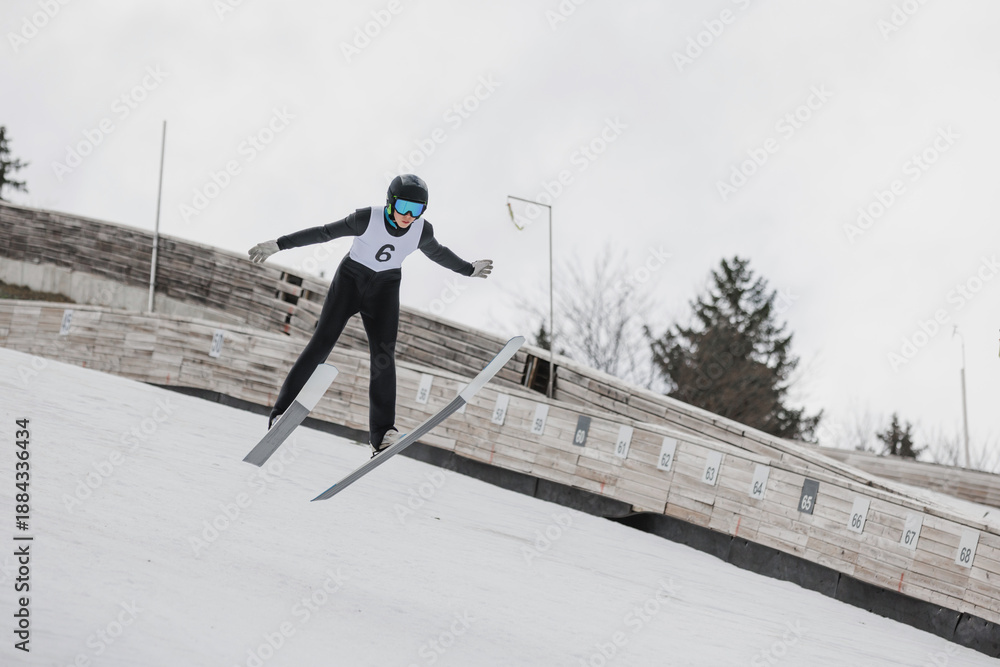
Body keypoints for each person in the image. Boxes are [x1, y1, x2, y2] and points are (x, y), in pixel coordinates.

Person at [248, 174, 493, 455]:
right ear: (390, 203)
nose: (408, 216)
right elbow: (324, 232)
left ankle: (382, 435)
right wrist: (279, 244)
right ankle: (281, 413)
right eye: (403, 207)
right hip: (350, 282)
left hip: (385, 290)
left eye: (416, 210)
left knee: (384, 357)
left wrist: (467, 269)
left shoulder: (421, 231)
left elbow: (439, 253)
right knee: (321, 344)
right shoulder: (367, 218)